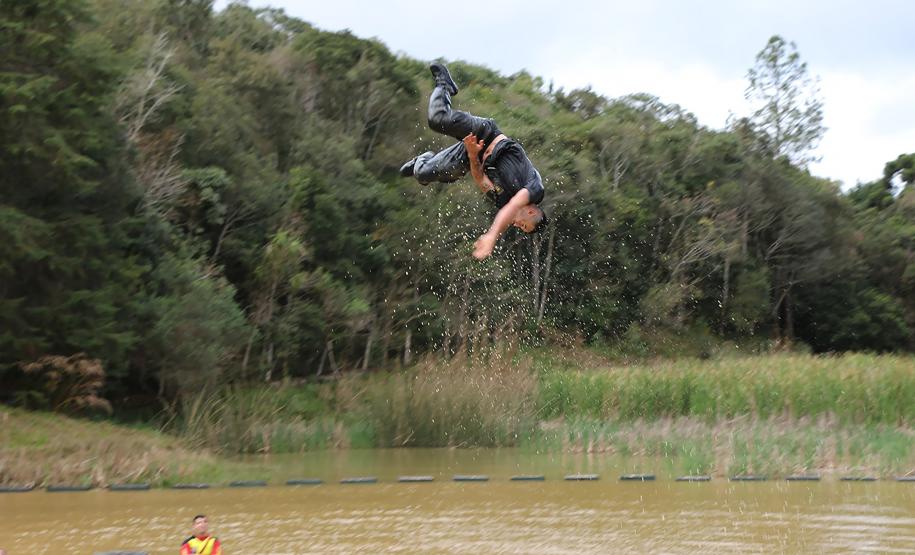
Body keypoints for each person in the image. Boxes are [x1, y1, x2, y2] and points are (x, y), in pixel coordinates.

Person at [400, 62, 547, 260]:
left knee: (422, 173)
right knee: (437, 119)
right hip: (484, 134)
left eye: (521, 228)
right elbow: (513, 206)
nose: (517, 225)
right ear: (531, 212)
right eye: (523, 225)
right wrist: (492, 236)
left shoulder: (503, 201)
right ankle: (444, 85)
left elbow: (480, 179)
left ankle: (422, 159)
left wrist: (471, 154)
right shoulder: (535, 189)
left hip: (472, 153)